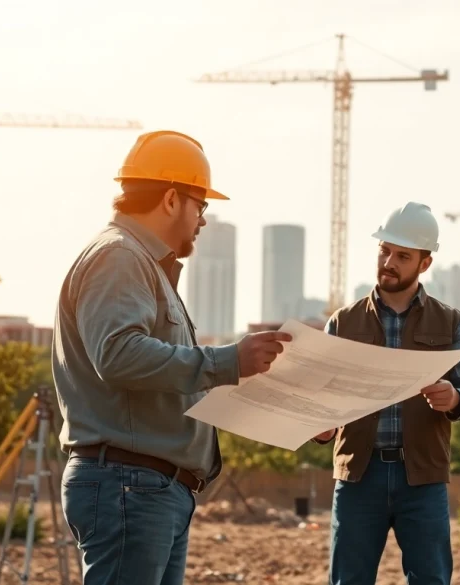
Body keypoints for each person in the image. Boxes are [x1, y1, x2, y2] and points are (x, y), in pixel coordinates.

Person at [51, 129, 291, 585]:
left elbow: (159, 371)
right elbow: (119, 355)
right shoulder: (119, 257)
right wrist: (225, 362)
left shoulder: (140, 265)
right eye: (201, 206)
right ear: (171, 199)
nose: (202, 221)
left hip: (147, 489)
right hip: (130, 485)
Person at [312, 201, 460, 585]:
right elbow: (319, 401)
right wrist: (320, 426)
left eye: (402, 255)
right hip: (358, 477)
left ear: (424, 263)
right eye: (384, 250)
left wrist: (457, 400)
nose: (388, 261)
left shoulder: (451, 322)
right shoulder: (342, 322)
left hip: (422, 480)